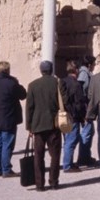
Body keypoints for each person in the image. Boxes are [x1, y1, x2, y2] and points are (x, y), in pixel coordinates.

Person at [26, 60, 62, 191]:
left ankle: (39, 184)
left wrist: (29, 127)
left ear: (41, 70)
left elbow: (29, 108)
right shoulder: (57, 83)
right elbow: (62, 102)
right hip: (54, 124)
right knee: (55, 155)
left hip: (38, 124)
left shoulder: (33, 85)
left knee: (38, 156)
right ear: (51, 70)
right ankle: (53, 181)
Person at [0, 61, 26, 178]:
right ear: (7, 70)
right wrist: (16, 82)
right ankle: (6, 169)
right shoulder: (11, 83)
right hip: (8, 118)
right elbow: (23, 94)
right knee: (7, 144)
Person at [59, 61, 88, 173]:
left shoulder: (63, 81)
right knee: (71, 140)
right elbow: (79, 103)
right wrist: (83, 116)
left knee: (67, 140)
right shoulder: (76, 84)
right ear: (76, 70)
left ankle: (68, 162)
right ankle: (67, 164)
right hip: (73, 115)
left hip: (64, 114)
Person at [77, 55, 97, 168]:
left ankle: (86, 155)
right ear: (89, 64)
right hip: (85, 107)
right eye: (93, 64)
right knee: (87, 132)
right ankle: (83, 158)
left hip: (87, 106)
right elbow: (80, 90)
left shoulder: (85, 73)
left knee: (89, 131)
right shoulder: (84, 74)